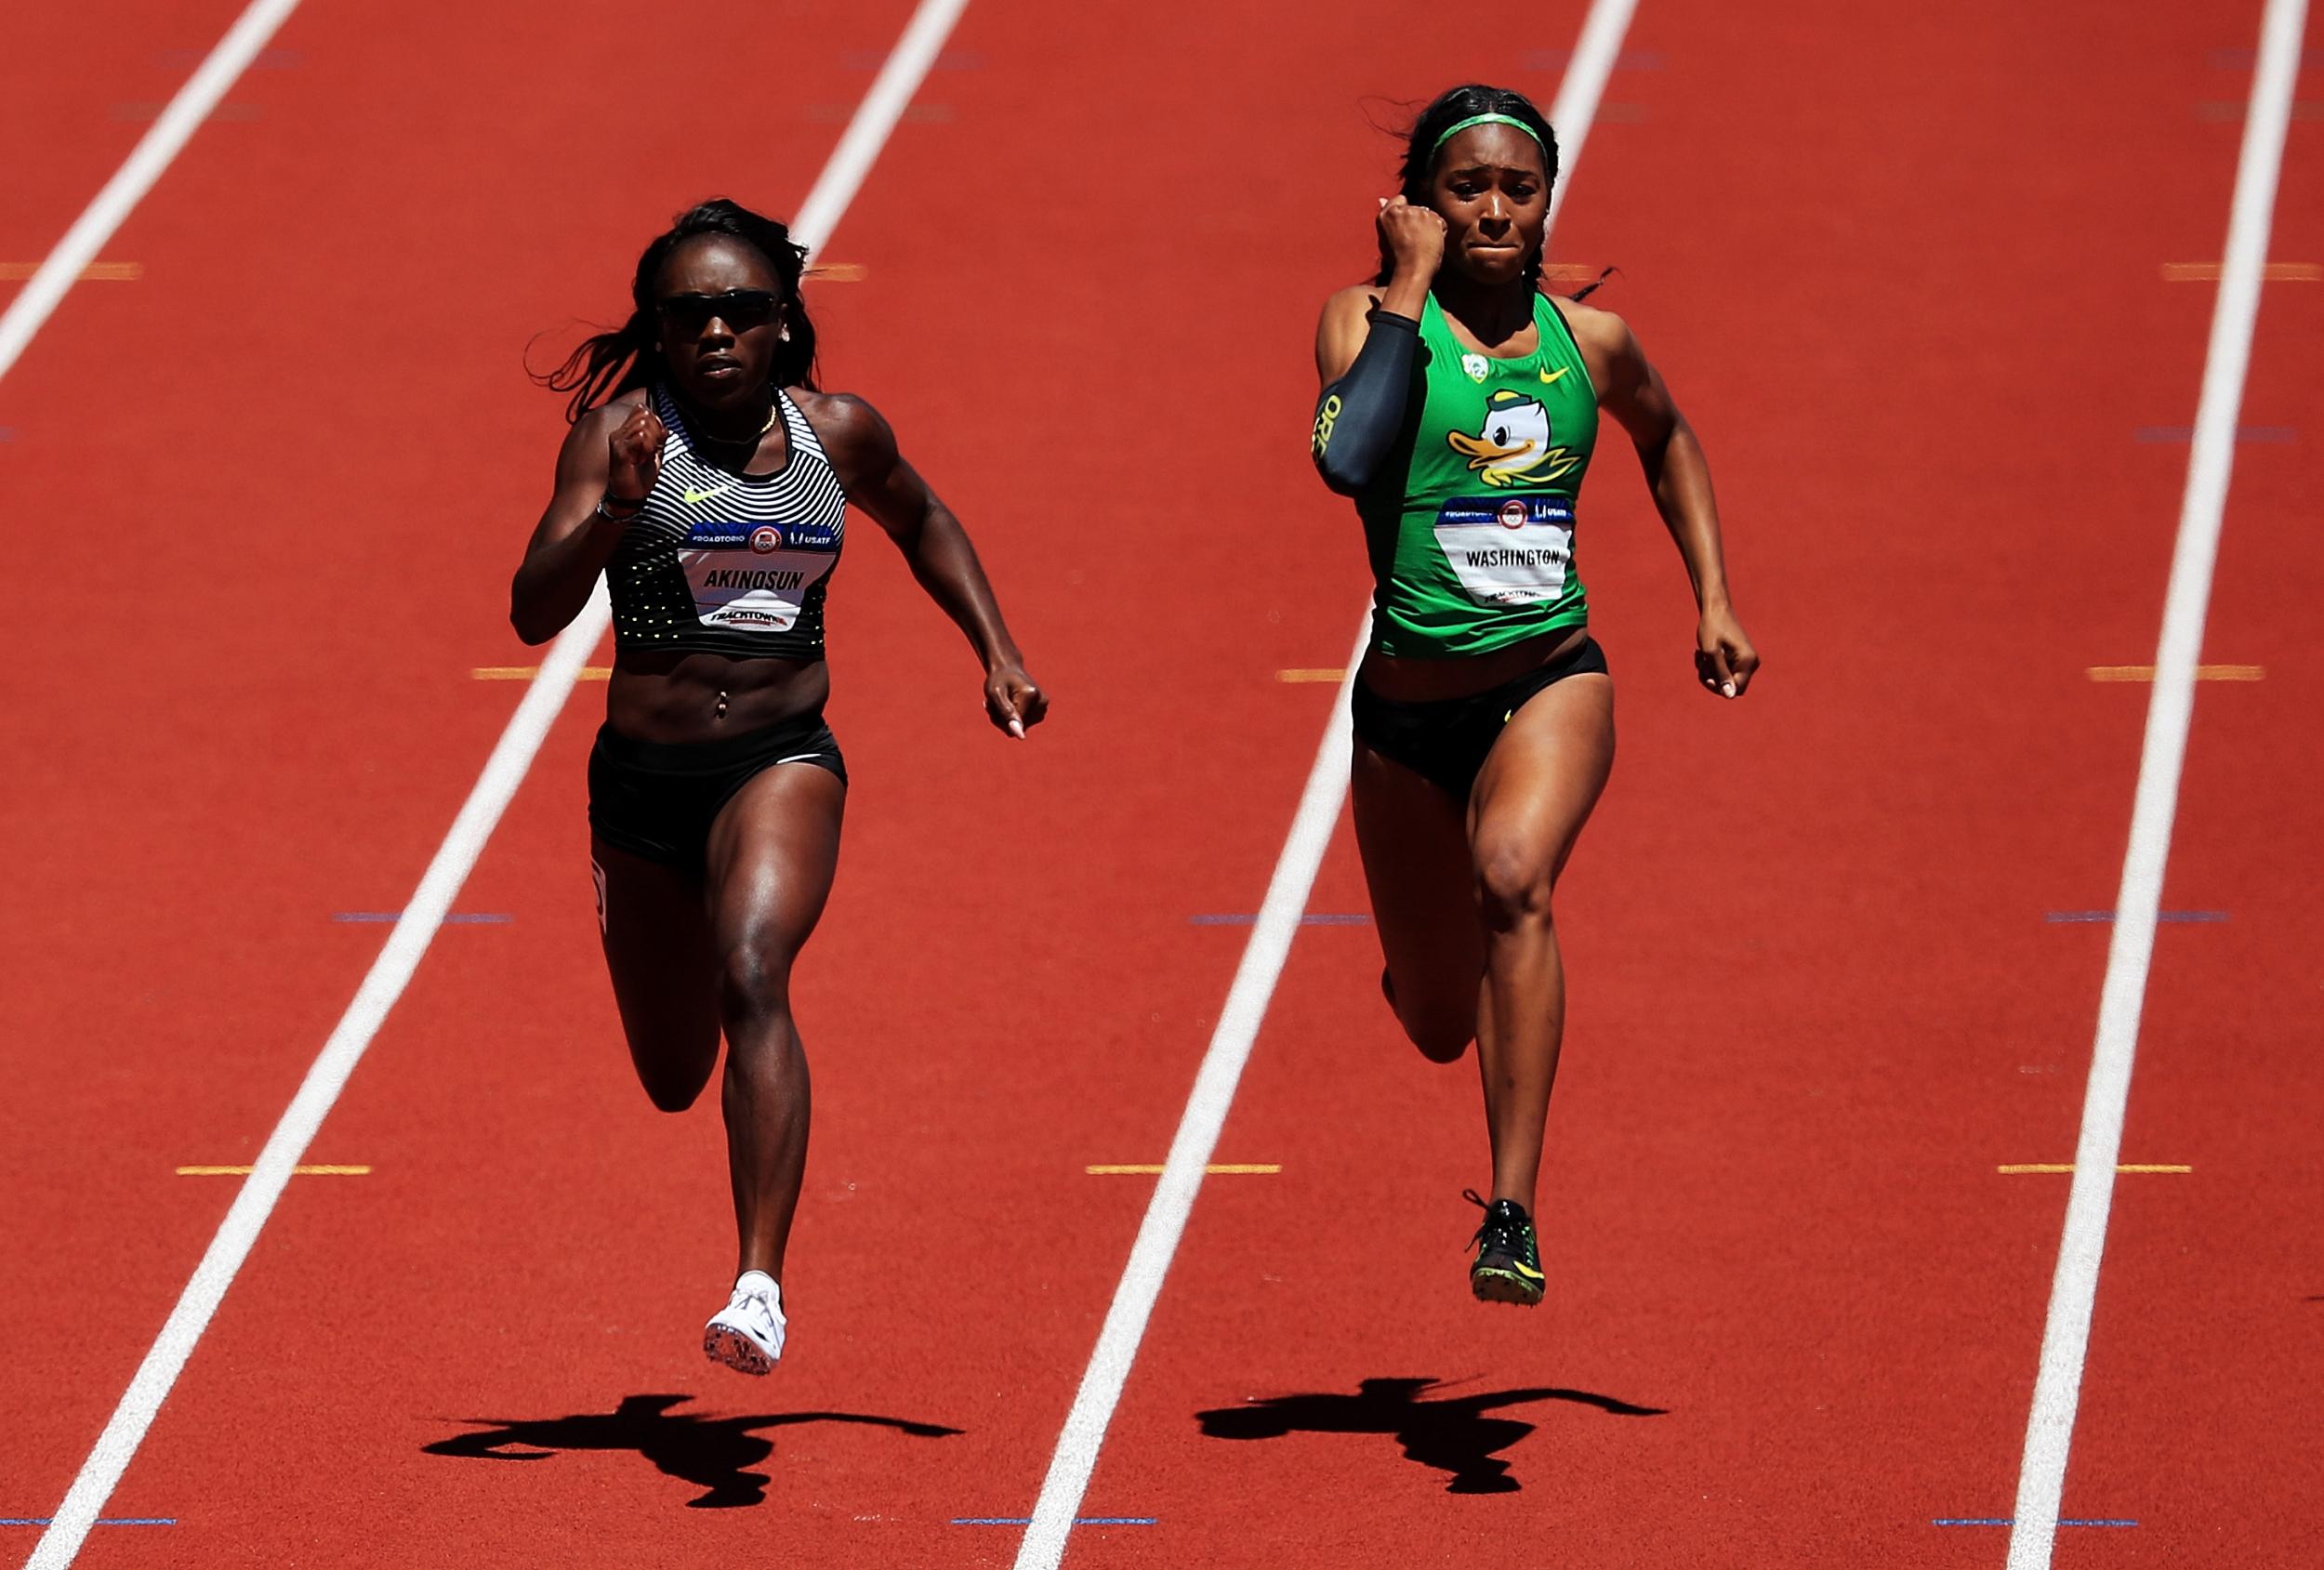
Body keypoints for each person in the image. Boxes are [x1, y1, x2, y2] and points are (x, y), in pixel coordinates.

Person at [510, 199, 1046, 1372]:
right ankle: (709, 1083)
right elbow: (532, 610)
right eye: (690, 312)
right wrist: (614, 507)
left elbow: (925, 518)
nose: (716, 331)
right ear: (656, 329)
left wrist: (995, 649)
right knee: (669, 1077)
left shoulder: (835, 435)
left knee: (756, 970)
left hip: (778, 762)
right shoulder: (617, 439)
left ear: (782, 324)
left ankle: (759, 1284)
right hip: (643, 787)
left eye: (742, 310)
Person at [1310, 86, 1757, 1306]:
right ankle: (1425, 966)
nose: (1497, 209)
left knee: (1514, 873)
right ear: (1420, 203)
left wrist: (1711, 594)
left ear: (1550, 198)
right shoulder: (1360, 319)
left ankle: (1511, 1211)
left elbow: (1669, 438)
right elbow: (1348, 458)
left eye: (1521, 187)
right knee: (1440, 1023)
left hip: (1551, 677)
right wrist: (1408, 287)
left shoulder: (1590, 345)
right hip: (1406, 717)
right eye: (1468, 189)